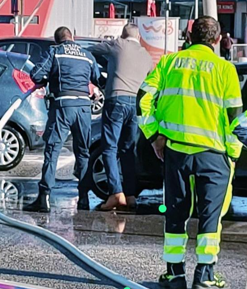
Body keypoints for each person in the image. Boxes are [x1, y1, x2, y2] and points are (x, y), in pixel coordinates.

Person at [138, 16, 243, 289]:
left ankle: (174, 275)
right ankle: (204, 277)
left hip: (176, 151)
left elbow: (143, 99)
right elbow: (234, 118)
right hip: (213, 154)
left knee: (175, 214)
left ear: (189, 36)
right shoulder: (225, 69)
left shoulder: (169, 63)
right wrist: (232, 154)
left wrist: (155, 135)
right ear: (218, 39)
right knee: (210, 219)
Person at [25, 26, 100, 213]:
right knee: (83, 153)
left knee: (53, 152)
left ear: (57, 40)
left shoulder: (55, 52)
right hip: (83, 108)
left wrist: (48, 78)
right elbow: (97, 77)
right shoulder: (86, 55)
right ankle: (83, 198)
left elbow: (36, 74)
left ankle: (44, 198)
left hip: (63, 107)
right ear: (72, 38)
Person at [88, 23, 153, 211]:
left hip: (116, 99)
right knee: (128, 149)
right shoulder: (146, 56)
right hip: (136, 104)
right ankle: (130, 195)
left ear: (123, 36)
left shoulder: (118, 45)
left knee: (109, 148)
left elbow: (91, 50)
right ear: (139, 38)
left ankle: (116, 193)